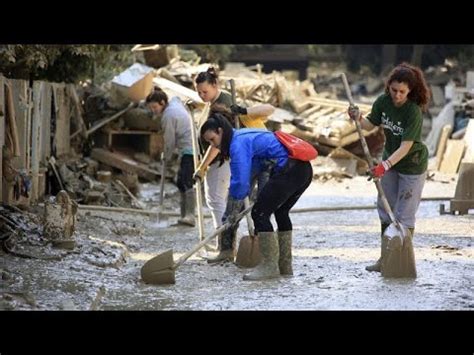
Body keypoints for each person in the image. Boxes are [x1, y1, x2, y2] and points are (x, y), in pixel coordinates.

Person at [200, 113, 313, 281]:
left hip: (289, 170)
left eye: (212, 139)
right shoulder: (243, 136)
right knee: (281, 212)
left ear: (220, 131)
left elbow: (240, 182)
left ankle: (269, 266)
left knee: (259, 213)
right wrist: (234, 210)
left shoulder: (237, 144)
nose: (213, 145)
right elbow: (255, 168)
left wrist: (231, 212)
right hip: (303, 170)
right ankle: (284, 266)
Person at [348, 62, 430, 272]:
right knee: (386, 210)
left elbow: (406, 146)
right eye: (394, 90)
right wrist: (357, 117)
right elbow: (370, 124)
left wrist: (384, 166)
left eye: (402, 92)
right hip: (390, 162)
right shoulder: (383, 102)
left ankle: (401, 262)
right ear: (389, 87)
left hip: (411, 165)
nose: (397, 95)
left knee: (404, 214)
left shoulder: (413, 112)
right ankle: (385, 259)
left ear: (410, 91)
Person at [146, 87, 196, 226]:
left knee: (185, 181)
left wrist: (166, 156)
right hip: (189, 147)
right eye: (151, 108)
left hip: (190, 149)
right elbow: (177, 99)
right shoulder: (174, 104)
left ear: (162, 102)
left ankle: (190, 216)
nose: (153, 110)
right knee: (181, 181)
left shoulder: (168, 116)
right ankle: (184, 216)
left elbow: (169, 141)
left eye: (154, 107)